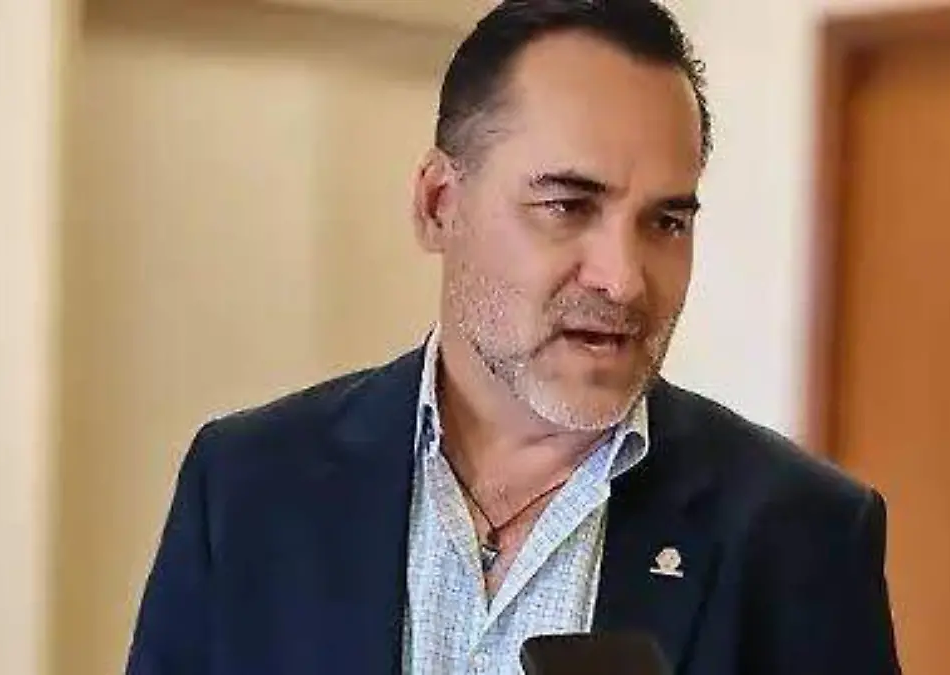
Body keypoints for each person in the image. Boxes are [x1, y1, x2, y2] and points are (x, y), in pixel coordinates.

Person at [126, 1, 900, 673]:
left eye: (665, 222)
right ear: (439, 204)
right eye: (568, 205)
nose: (623, 279)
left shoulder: (802, 534)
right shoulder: (249, 487)